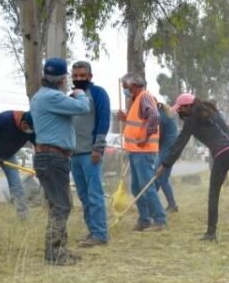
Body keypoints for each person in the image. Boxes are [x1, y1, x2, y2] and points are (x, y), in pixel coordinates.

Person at [157, 93, 229, 242]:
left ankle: (211, 233)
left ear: (188, 106)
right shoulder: (211, 111)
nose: (180, 113)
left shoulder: (191, 120)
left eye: (181, 110)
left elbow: (178, 146)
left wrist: (164, 165)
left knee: (213, 194)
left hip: (223, 154)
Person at [29, 57, 90, 265]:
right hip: (53, 158)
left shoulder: (41, 96)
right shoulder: (52, 97)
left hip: (49, 157)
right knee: (61, 206)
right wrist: (80, 93)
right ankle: (55, 253)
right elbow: (82, 107)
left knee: (60, 204)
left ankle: (60, 249)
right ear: (63, 78)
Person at [118, 74, 166, 232]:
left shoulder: (144, 97)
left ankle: (159, 220)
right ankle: (144, 219)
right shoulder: (136, 100)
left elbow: (154, 115)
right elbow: (140, 122)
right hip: (135, 150)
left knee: (146, 186)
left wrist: (145, 137)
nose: (125, 90)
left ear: (135, 85)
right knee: (137, 187)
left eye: (126, 87)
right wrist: (125, 118)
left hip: (143, 151)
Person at [70, 61, 111, 247]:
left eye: (82, 76)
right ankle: (92, 231)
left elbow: (103, 121)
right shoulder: (71, 97)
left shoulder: (98, 93)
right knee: (84, 196)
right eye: (75, 76)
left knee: (95, 195)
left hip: (90, 153)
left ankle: (100, 235)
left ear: (90, 76)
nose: (78, 79)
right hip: (74, 154)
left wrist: (98, 148)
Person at [0, 110, 34, 222]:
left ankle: (23, 216)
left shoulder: (31, 128)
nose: (29, 131)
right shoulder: (4, 118)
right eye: (28, 128)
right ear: (23, 123)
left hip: (9, 155)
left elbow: (37, 145)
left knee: (16, 184)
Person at [155, 101, 179, 213]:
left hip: (167, 150)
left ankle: (171, 204)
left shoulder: (160, 117)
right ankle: (168, 204)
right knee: (160, 177)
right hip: (170, 148)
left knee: (161, 177)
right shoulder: (166, 112)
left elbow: (158, 136)